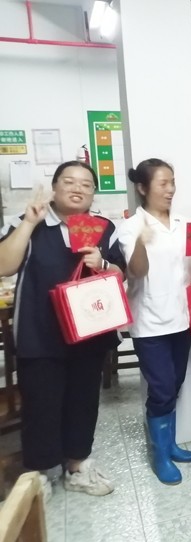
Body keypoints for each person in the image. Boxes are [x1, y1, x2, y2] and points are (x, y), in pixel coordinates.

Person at [0, 161, 126, 499]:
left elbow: (121, 273)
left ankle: (77, 466)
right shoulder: (29, 221)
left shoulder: (103, 227)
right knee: (41, 404)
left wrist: (103, 263)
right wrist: (29, 222)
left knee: (83, 402)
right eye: (69, 181)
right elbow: (4, 265)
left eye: (86, 184)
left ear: (93, 193)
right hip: (40, 332)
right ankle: (39, 472)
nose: (77, 188)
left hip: (90, 331)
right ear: (54, 188)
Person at [118, 159, 191, 484]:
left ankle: (170, 444)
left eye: (172, 182)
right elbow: (137, 271)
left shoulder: (184, 223)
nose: (170, 189)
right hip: (149, 323)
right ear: (143, 188)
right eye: (163, 183)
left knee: (174, 383)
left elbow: (188, 272)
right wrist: (141, 241)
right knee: (160, 389)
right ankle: (159, 454)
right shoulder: (131, 226)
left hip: (181, 318)